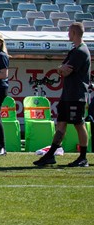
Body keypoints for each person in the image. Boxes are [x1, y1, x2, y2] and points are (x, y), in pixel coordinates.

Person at [34, 22, 91, 167]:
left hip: (76, 95)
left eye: (69, 32)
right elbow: (61, 68)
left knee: (79, 124)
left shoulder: (81, 51)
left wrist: (61, 69)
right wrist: (61, 68)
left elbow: (66, 70)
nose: (67, 34)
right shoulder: (75, 50)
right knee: (61, 123)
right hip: (68, 94)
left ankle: (83, 157)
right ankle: (50, 155)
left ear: (74, 32)